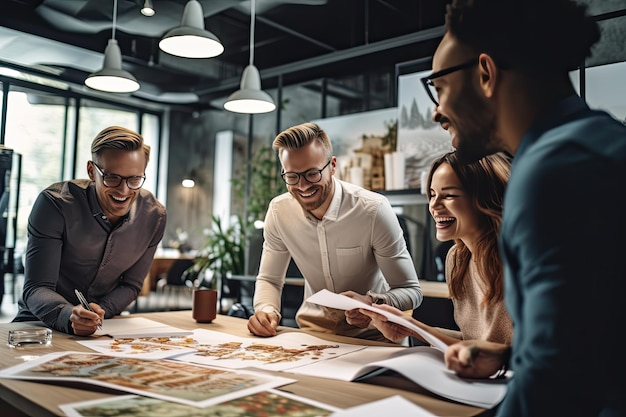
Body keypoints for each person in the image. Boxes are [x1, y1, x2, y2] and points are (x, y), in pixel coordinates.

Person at [423, 1, 626, 416]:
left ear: (485, 74)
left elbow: (558, 385)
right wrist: (510, 358)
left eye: (439, 87)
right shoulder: (594, 145)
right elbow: (595, 342)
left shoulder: (555, 171)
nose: (436, 111)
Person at [247, 122, 422, 341]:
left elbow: (410, 291)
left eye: (312, 174)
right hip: (313, 335)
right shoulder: (278, 212)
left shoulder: (373, 210)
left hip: (376, 338)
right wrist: (266, 309)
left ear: (332, 166)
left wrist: (372, 304)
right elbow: (269, 279)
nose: (302, 186)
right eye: (292, 177)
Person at [13, 126, 167, 336]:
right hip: (40, 324)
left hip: (104, 328)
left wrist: (100, 312)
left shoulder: (154, 216)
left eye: (134, 179)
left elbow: (131, 285)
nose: (124, 190)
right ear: (91, 171)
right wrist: (69, 315)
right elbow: (36, 288)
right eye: (112, 177)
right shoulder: (54, 205)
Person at [361, 151, 513, 347]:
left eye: (449, 195)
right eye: (432, 195)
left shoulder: (516, 260)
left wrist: (416, 328)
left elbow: (501, 352)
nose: (434, 205)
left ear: (486, 198)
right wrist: (410, 327)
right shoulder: (458, 260)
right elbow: (474, 343)